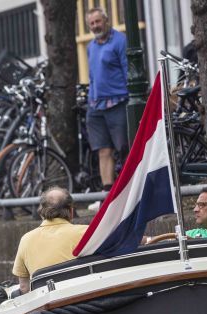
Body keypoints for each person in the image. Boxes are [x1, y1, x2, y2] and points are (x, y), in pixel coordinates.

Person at [85, 7, 128, 212]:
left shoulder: (119, 41)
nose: (95, 26)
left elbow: (128, 69)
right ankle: (106, 196)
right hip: (96, 105)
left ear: (106, 20)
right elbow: (92, 76)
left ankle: (128, 192)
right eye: (92, 23)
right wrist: (90, 98)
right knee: (103, 150)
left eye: (98, 22)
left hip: (118, 101)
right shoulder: (91, 47)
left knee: (123, 148)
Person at [12, 186, 89, 294]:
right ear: (71, 211)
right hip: (82, 298)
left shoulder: (26, 240)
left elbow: (24, 288)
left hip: (47, 306)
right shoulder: (86, 233)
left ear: (41, 212)